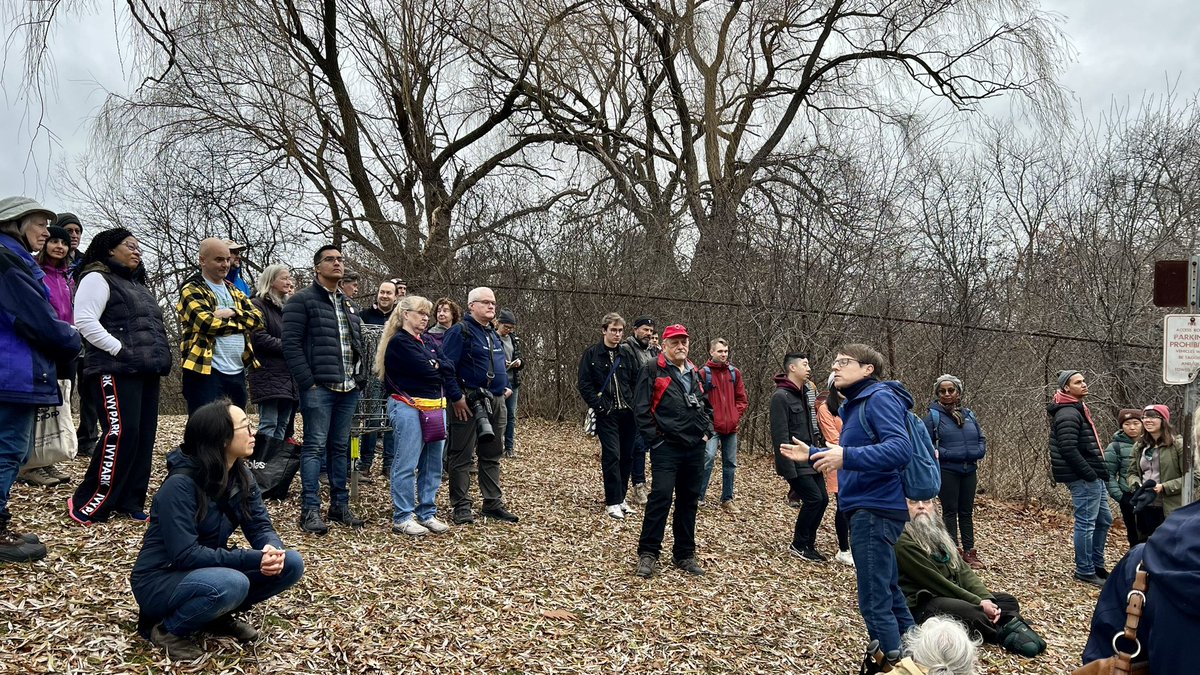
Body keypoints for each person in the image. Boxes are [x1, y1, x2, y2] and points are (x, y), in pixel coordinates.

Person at [131, 400, 304, 661]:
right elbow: (186, 555)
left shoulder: (241, 475)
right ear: (222, 439)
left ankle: (214, 614)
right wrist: (253, 558)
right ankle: (168, 630)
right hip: (159, 579)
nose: (253, 433)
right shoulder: (179, 487)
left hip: (204, 569)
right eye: (244, 427)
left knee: (290, 563)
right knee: (232, 583)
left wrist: (270, 548)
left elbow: (259, 524)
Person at [781, 344, 916, 659]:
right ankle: (917, 657)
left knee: (874, 599)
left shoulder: (879, 398)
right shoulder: (856, 405)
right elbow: (850, 457)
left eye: (844, 362)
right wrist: (813, 454)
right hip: (868, 507)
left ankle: (892, 663)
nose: (835, 367)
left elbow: (900, 449)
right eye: (835, 362)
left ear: (868, 369)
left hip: (875, 508)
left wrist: (846, 454)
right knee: (890, 593)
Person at [68, 228, 173, 525]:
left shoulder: (138, 285)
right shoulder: (96, 278)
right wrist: (118, 349)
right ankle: (91, 501)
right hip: (114, 370)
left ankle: (130, 500)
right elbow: (85, 321)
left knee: (142, 437)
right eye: (130, 245)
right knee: (120, 434)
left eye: (139, 247)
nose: (137, 251)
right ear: (109, 250)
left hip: (147, 371)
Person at [0, 197, 80, 563]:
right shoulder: (10, 263)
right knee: (8, 449)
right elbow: (39, 322)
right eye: (38, 223)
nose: (48, 232)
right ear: (13, 224)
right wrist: (72, 339)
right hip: (12, 372)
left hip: (11, 369)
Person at [282, 244, 367, 534]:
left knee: (340, 447)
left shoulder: (347, 303)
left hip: (349, 388)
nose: (337, 263)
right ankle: (310, 511)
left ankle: (339, 506)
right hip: (319, 388)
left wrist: (360, 379)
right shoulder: (301, 301)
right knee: (315, 447)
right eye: (330, 259)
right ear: (317, 267)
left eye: (340, 259)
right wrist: (308, 382)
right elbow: (290, 345)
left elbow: (356, 344)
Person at [895, 497, 1046, 657]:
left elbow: (962, 570)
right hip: (925, 602)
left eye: (926, 502)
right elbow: (935, 582)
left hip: (954, 596)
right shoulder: (903, 540)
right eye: (913, 502)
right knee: (973, 613)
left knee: (1007, 601)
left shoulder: (934, 530)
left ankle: (996, 620)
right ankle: (1002, 631)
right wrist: (978, 603)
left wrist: (986, 598)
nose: (921, 507)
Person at [1082, 500, 1200, 675]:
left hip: (1164, 511)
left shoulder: (1140, 562)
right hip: (1150, 513)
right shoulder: (1142, 564)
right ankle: (1087, 567)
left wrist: (1164, 487)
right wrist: (1127, 488)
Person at [633, 324, 713, 578]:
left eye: (684, 342)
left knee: (689, 500)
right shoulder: (652, 369)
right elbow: (641, 409)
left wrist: (707, 432)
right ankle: (648, 553)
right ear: (664, 345)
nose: (681, 347)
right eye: (675, 342)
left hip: (694, 447)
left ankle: (684, 553)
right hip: (666, 446)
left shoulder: (695, 372)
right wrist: (655, 440)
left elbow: (706, 406)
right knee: (661, 497)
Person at [441, 287, 518, 525]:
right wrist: (456, 397)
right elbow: (446, 367)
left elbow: (497, 364)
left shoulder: (493, 333)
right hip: (468, 400)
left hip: (496, 401)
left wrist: (503, 387)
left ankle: (492, 503)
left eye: (493, 303)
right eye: (485, 302)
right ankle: (461, 505)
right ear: (471, 306)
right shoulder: (460, 331)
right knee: (461, 455)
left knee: (492, 454)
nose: (491, 306)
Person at [378, 295, 453, 536]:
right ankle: (403, 515)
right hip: (407, 406)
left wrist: (436, 366)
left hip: (434, 407)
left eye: (426, 314)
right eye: (420, 313)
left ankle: (427, 512)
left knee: (433, 464)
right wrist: (436, 367)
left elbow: (447, 366)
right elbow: (426, 371)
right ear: (405, 314)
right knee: (407, 462)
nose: (425, 318)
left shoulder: (428, 340)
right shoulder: (400, 342)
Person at [16, 224, 77, 487]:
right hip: (43, 344)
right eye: (54, 241)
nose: (59, 246)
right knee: (38, 404)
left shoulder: (68, 277)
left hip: (65, 344)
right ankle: (28, 464)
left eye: (63, 243)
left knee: (57, 402)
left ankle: (46, 458)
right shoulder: (35, 272)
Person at [177, 238, 265, 415]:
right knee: (206, 431)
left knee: (234, 430)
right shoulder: (192, 289)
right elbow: (206, 323)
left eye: (227, 259)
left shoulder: (234, 290)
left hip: (237, 370)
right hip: (205, 371)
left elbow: (258, 320)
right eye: (219, 259)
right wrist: (242, 322)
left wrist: (232, 311)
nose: (225, 264)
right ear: (202, 260)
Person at [1047, 369, 1112, 587]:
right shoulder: (1068, 413)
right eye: (1078, 382)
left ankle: (1097, 565)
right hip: (1084, 477)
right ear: (1066, 387)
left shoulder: (1078, 408)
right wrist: (1090, 474)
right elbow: (1068, 448)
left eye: (1084, 381)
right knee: (1086, 523)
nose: (1084, 384)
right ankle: (1085, 570)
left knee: (1104, 520)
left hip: (1094, 475)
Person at [578, 312, 641, 519]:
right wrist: (600, 406)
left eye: (620, 330)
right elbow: (585, 385)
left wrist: (634, 404)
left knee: (627, 456)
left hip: (628, 413)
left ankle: (621, 499)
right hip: (607, 414)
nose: (617, 334)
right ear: (604, 330)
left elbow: (635, 380)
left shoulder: (627, 354)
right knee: (612, 455)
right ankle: (612, 501)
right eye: (613, 330)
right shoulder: (592, 354)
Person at [923, 375, 987, 570]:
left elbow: (981, 438)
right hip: (947, 470)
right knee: (950, 511)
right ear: (937, 394)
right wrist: (946, 454)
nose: (947, 394)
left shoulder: (969, 415)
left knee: (966, 511)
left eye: (951, 390)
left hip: (969, 469)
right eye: (942, 391)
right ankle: (953, 551)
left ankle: (970, 551)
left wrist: (977, 451)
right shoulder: (932, 417)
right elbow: (925, 444)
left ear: (958, 392)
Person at [770, 352, 829, 561]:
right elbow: (779, 434)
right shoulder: (780, 396)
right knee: (813, 499)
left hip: (811, 456)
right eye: (805, 364)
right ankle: (798, 544)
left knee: (823, 500)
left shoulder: (806, 392)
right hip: (794, 460)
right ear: (792, 368)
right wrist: (787, 468)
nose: (809, 368)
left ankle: (809, 544)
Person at [1127, 404, 1198, 538]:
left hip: (1171, 510)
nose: (1148, 420)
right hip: (1145, 506)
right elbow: (1131, 473)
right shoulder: (1139, 446)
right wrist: (1136, 485)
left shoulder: (1179, 444)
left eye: (1153, 417)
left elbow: (1195, 477)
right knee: (1147, 548)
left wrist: (1164, 487)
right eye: (1145, 417)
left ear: (1164, 420)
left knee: (1169, 548)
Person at [248, 265, 298, 442]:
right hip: (267, 373)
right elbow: (258, 337)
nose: (288, 282)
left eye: (289, 278)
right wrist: (290, 346)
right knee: (269, 423)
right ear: (271, 280)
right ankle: (263, 464)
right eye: (284, 278)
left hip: (288, 376)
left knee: (283, 424)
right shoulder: (257, 304)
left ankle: (275, 467)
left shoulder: (287, 308)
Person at [357, 279, 401, 480]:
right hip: (372, 375)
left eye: (388, 293)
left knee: (392, 420)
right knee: (373, 419)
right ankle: (365, 464)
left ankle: (389, 464)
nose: (384, 296)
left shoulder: (400, 318)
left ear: (395, 296)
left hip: (395, 376)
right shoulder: (364, 316)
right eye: (382, 292)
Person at [699, 338, 748, 512]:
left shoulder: (734, 373)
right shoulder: (704, 373)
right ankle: (699, 497)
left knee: (730, 463)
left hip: (731, 427)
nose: (723, 354)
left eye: (726, 351)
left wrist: (735, 415)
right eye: (720, 351)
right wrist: (707, 421)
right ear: (711, 352)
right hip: (712, 427)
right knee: (708, 458)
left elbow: (742, 398)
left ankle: (727, 499)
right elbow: (699, 401)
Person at [817, 376, 854, 566]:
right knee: (843, 506)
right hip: (837, 461)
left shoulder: (853, 406)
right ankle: (844, 549)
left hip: (856, 461)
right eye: (839, 385)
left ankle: (855, 545)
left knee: (856, 506)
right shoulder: (825, 409)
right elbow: (832, 439)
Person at [624, 315, 657, 506]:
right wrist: (633, 404)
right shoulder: (627, 350)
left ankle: (646, 484)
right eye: (645, 329)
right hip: (634, 408)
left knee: (647, 446)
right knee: (637, 448)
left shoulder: (652, 352)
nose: (648, 334)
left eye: (651, 331)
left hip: (650, 408)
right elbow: (625, 380)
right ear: (635, 329)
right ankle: (638, 485)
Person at [1104, 409, 1144, 546]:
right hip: (1129, 496)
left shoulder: (1151, 443)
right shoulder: (1115, 447)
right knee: (1134, 535)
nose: (1132, 427)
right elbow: (1108, 474)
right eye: (1127, 424)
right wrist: (1121, 497)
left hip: (1153, 495)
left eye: (1136, 423)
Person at [496, 309, 524, 458]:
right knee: (498, 415)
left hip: (513, 381)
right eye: (506, 327)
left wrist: (518, 362)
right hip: (499, 382)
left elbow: (521, 359)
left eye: (511, 328)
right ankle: (495, 446)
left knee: (511, 416)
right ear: (498, 323)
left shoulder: (514, 339)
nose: (508, 330)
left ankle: (509, 447)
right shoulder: (492, 338)